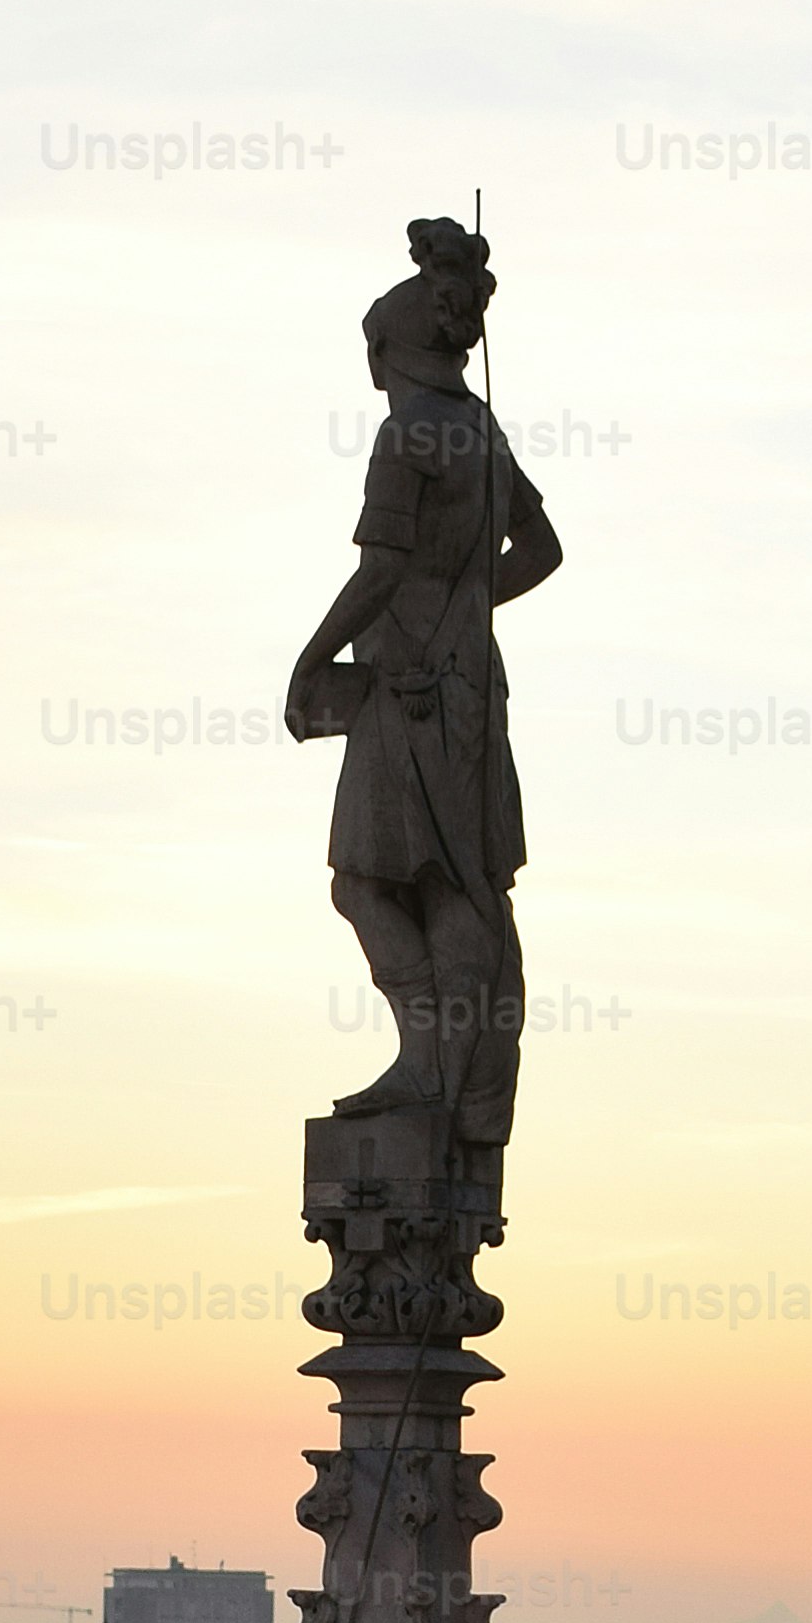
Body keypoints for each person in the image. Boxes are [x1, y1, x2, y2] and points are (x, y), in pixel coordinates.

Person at [288, 218, 566, 1145]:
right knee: (458, 884)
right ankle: (458, 1073)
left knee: (368, 881)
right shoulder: (479, 431)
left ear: (393, 351)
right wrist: (471, 600)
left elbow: (377, 571)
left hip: (407, 691)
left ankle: (427, 1056)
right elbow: (544, 548)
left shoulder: (406, 436)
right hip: (473, 689)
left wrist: (309, 658)